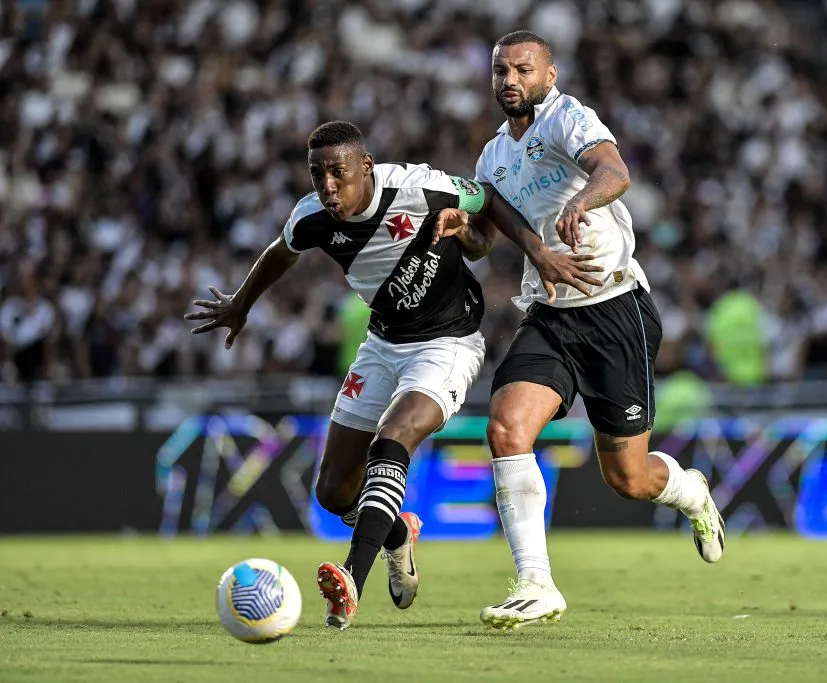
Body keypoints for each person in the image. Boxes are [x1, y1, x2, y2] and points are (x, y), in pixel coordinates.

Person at [184, 120, 603, 632]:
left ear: (365, 166)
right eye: (318, 176)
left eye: (338, 173)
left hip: (449, 342)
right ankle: (397, 536)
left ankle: (351, 582)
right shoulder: (311, 216)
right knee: (335, 492)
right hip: (382, 346)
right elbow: (281, 250)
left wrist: (528, 250)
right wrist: (239, 305)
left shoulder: (418, 187)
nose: (328, 187)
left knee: (394, 437)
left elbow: (486, 202)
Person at [471, 32, 727, 629]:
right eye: (501, 70)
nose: (511, 80)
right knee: (506, 427)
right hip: (551, 314)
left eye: (523, 70)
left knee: (629, 479)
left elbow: (615, 171)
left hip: (614, 310)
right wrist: (466, 227)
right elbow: (490, 226)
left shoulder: (566, 116)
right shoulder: (491, 158)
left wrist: (583, 201)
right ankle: (536, 583)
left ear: (549, 74)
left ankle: (691, 491)